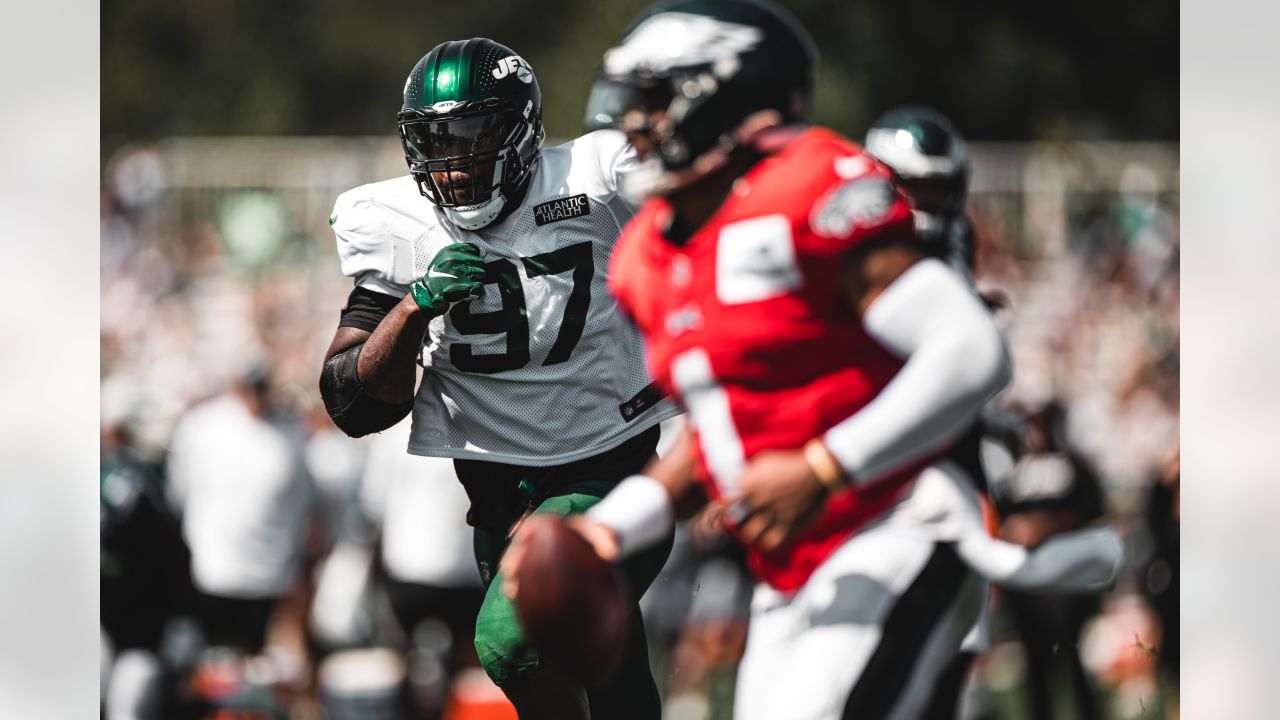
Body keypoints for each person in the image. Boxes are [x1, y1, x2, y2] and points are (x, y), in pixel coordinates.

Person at [502, 1, 1015, 718]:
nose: (631, 126)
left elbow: (970, 349)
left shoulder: (808, 184)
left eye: (654, 102)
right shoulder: (647, 254)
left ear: (726, 100)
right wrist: (607, 529)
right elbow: (715, 441)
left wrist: (822, 467)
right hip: (788, 573)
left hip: (896, 525)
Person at [318, 37, 681, 719]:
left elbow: (696, 216)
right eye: (436, 142)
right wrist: (414, 307)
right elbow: (353, 400)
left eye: (473, 137)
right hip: (498, 502)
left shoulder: (594, 179)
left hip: (609, 466)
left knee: (507, 642)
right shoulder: (398, 224)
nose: (453, 164)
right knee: (610, 678)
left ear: (522, 131)